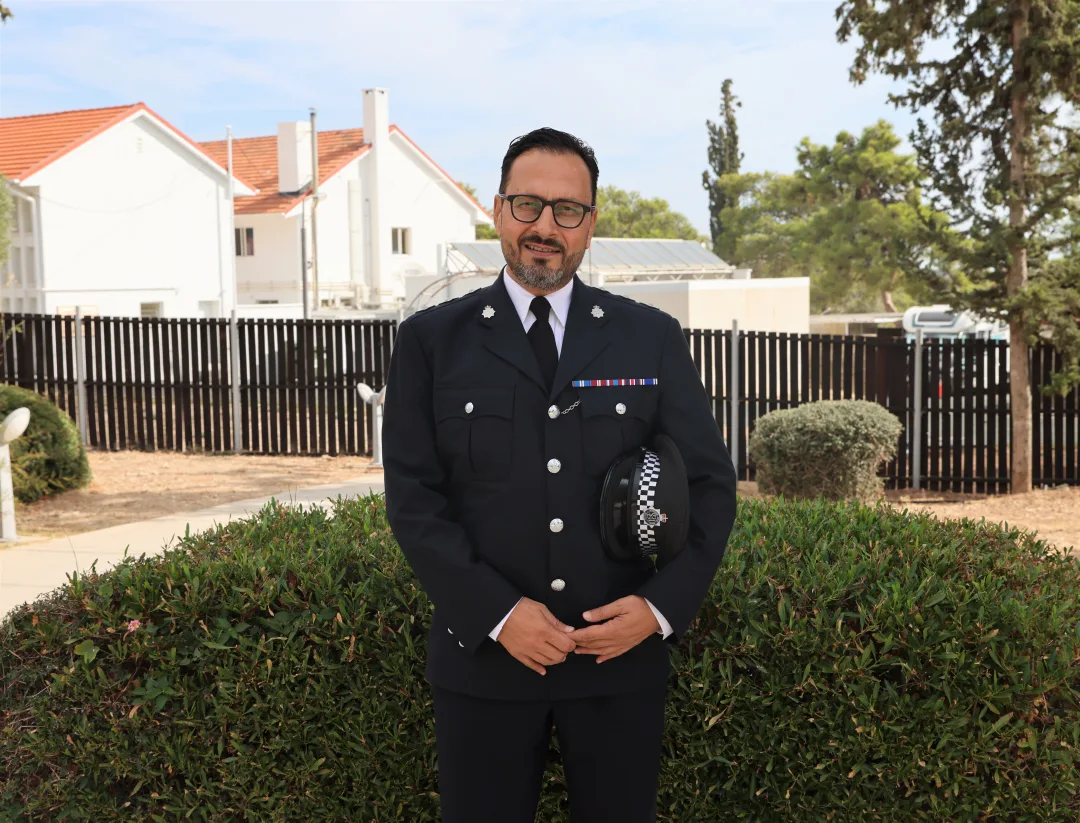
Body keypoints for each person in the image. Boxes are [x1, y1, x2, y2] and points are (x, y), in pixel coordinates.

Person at [382, 127, 737, 821]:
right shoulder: (431, 341)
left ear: (590, 224)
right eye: (528, 205)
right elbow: (415, 502)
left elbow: (710, 487)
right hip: (485, 663)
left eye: (567, 210)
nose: (545, 227)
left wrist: (657, 610)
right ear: (498, 211)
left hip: (617, 663)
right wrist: (499, 615)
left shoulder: (649, 337)